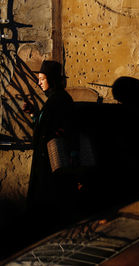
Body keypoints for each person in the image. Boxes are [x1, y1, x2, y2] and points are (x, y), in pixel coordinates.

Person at [25, 60, 79, 235]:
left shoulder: (60, 101)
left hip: (52, 165)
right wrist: (35, 114)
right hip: (45, 163)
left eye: (42, 78)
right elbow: (44, 127)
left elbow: (65, 131)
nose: (39, 82)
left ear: (52, 80)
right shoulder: (53, 100)